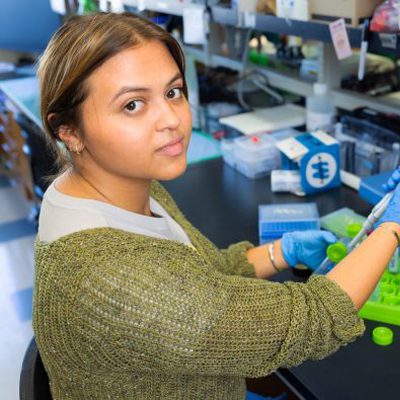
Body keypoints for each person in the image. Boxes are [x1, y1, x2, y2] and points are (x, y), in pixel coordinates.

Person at [33, 12, 400, 400]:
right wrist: (391, 227)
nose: (171, 119)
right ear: (69, 131)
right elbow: (314, 318)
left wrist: (281, 251)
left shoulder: (119, 186)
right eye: (133, 105)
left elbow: (202, 276)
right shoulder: (105, 273)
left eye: (173, 92)